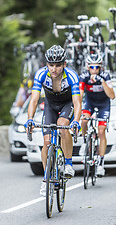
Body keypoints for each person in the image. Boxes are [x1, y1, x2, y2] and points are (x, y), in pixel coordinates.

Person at [24, 45, 81, 196]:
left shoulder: (72, 76)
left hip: (67, 104)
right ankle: (46, 179)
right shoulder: (41, 75)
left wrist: (75, 120)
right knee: (47, 141)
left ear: (64, 64)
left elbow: (77, 102)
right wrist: (30, 119)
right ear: (46, 64)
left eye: (58, 65)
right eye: (51, 65)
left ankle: (68, 164)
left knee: (63, 126)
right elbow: (34, 99)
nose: (54, 69)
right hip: (50, 105)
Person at [79, 53, 115, 177]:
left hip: (103, 104)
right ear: (87, 67)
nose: (94, 70)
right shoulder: (84, 76)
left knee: (101, 131)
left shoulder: (105, 76)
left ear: (101, 68)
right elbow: (79, 94)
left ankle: (100, 163)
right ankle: (84, 142)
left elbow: (112, 96)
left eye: (97, 67)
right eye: (92, 67)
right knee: (84, 120)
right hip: (89, 102)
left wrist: (102, 82)